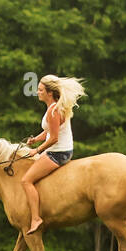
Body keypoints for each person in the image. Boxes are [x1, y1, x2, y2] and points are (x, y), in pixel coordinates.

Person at [23, 74, 85, 235]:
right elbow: (49, 131)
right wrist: (35, 139)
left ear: (50, 93)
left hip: (58, 153)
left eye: (40, 90)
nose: (37, 92)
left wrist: (37, 150)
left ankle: (36, 218)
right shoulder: (53, 108)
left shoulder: (54, 111)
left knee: (26, 180)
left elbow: (54, 138)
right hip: (58, 150)